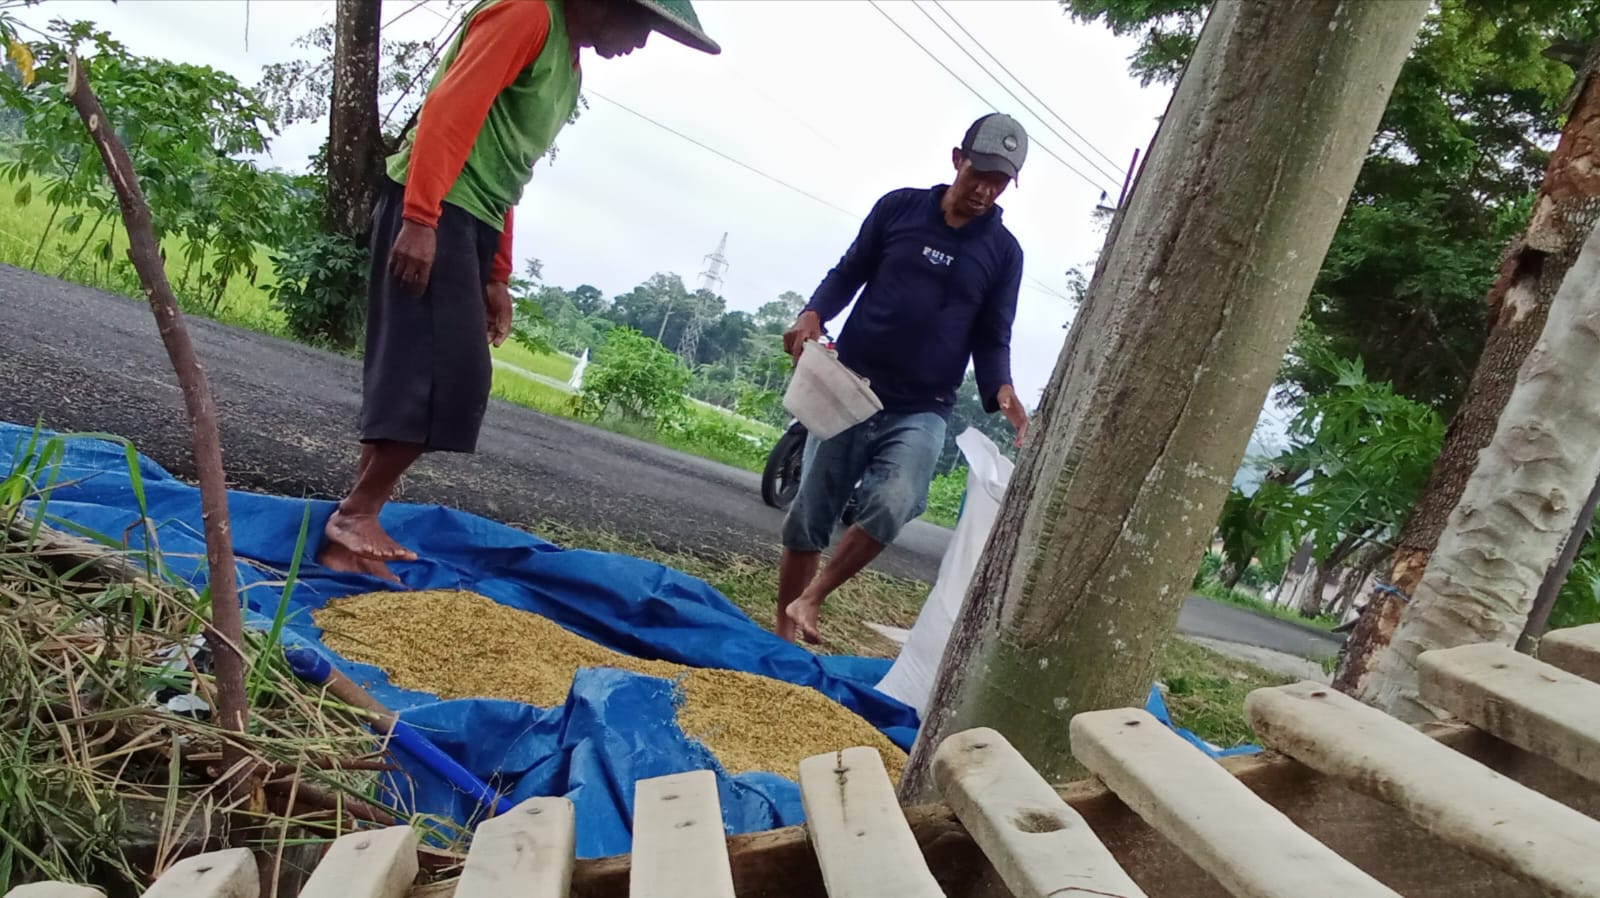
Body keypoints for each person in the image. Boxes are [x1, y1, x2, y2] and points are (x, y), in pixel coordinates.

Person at [318, 0, 721, 580]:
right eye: (643, 24)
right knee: (452, 378)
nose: (641, 43)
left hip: (471, 218)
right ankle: (357, 513)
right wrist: (421, 217)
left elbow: (509, 167)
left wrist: (496, 275)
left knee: (414, 379)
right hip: (436, 206)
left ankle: (347, 540)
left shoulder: (571, 67)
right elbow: (450, 110)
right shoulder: (527, 14)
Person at [776, 113, 1032, 645]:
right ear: (957, 159)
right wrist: (813, 314)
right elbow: (849, 271)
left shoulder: (1004, 253)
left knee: (895, 501)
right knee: (810, 514)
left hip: (924, 406)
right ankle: (781, 639)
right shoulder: (899, 208)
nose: (985, 189)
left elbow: (993, 334)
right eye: (978, 173)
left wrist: (1001, 389)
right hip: (850, 388)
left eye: (999, 181)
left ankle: (813, 599)